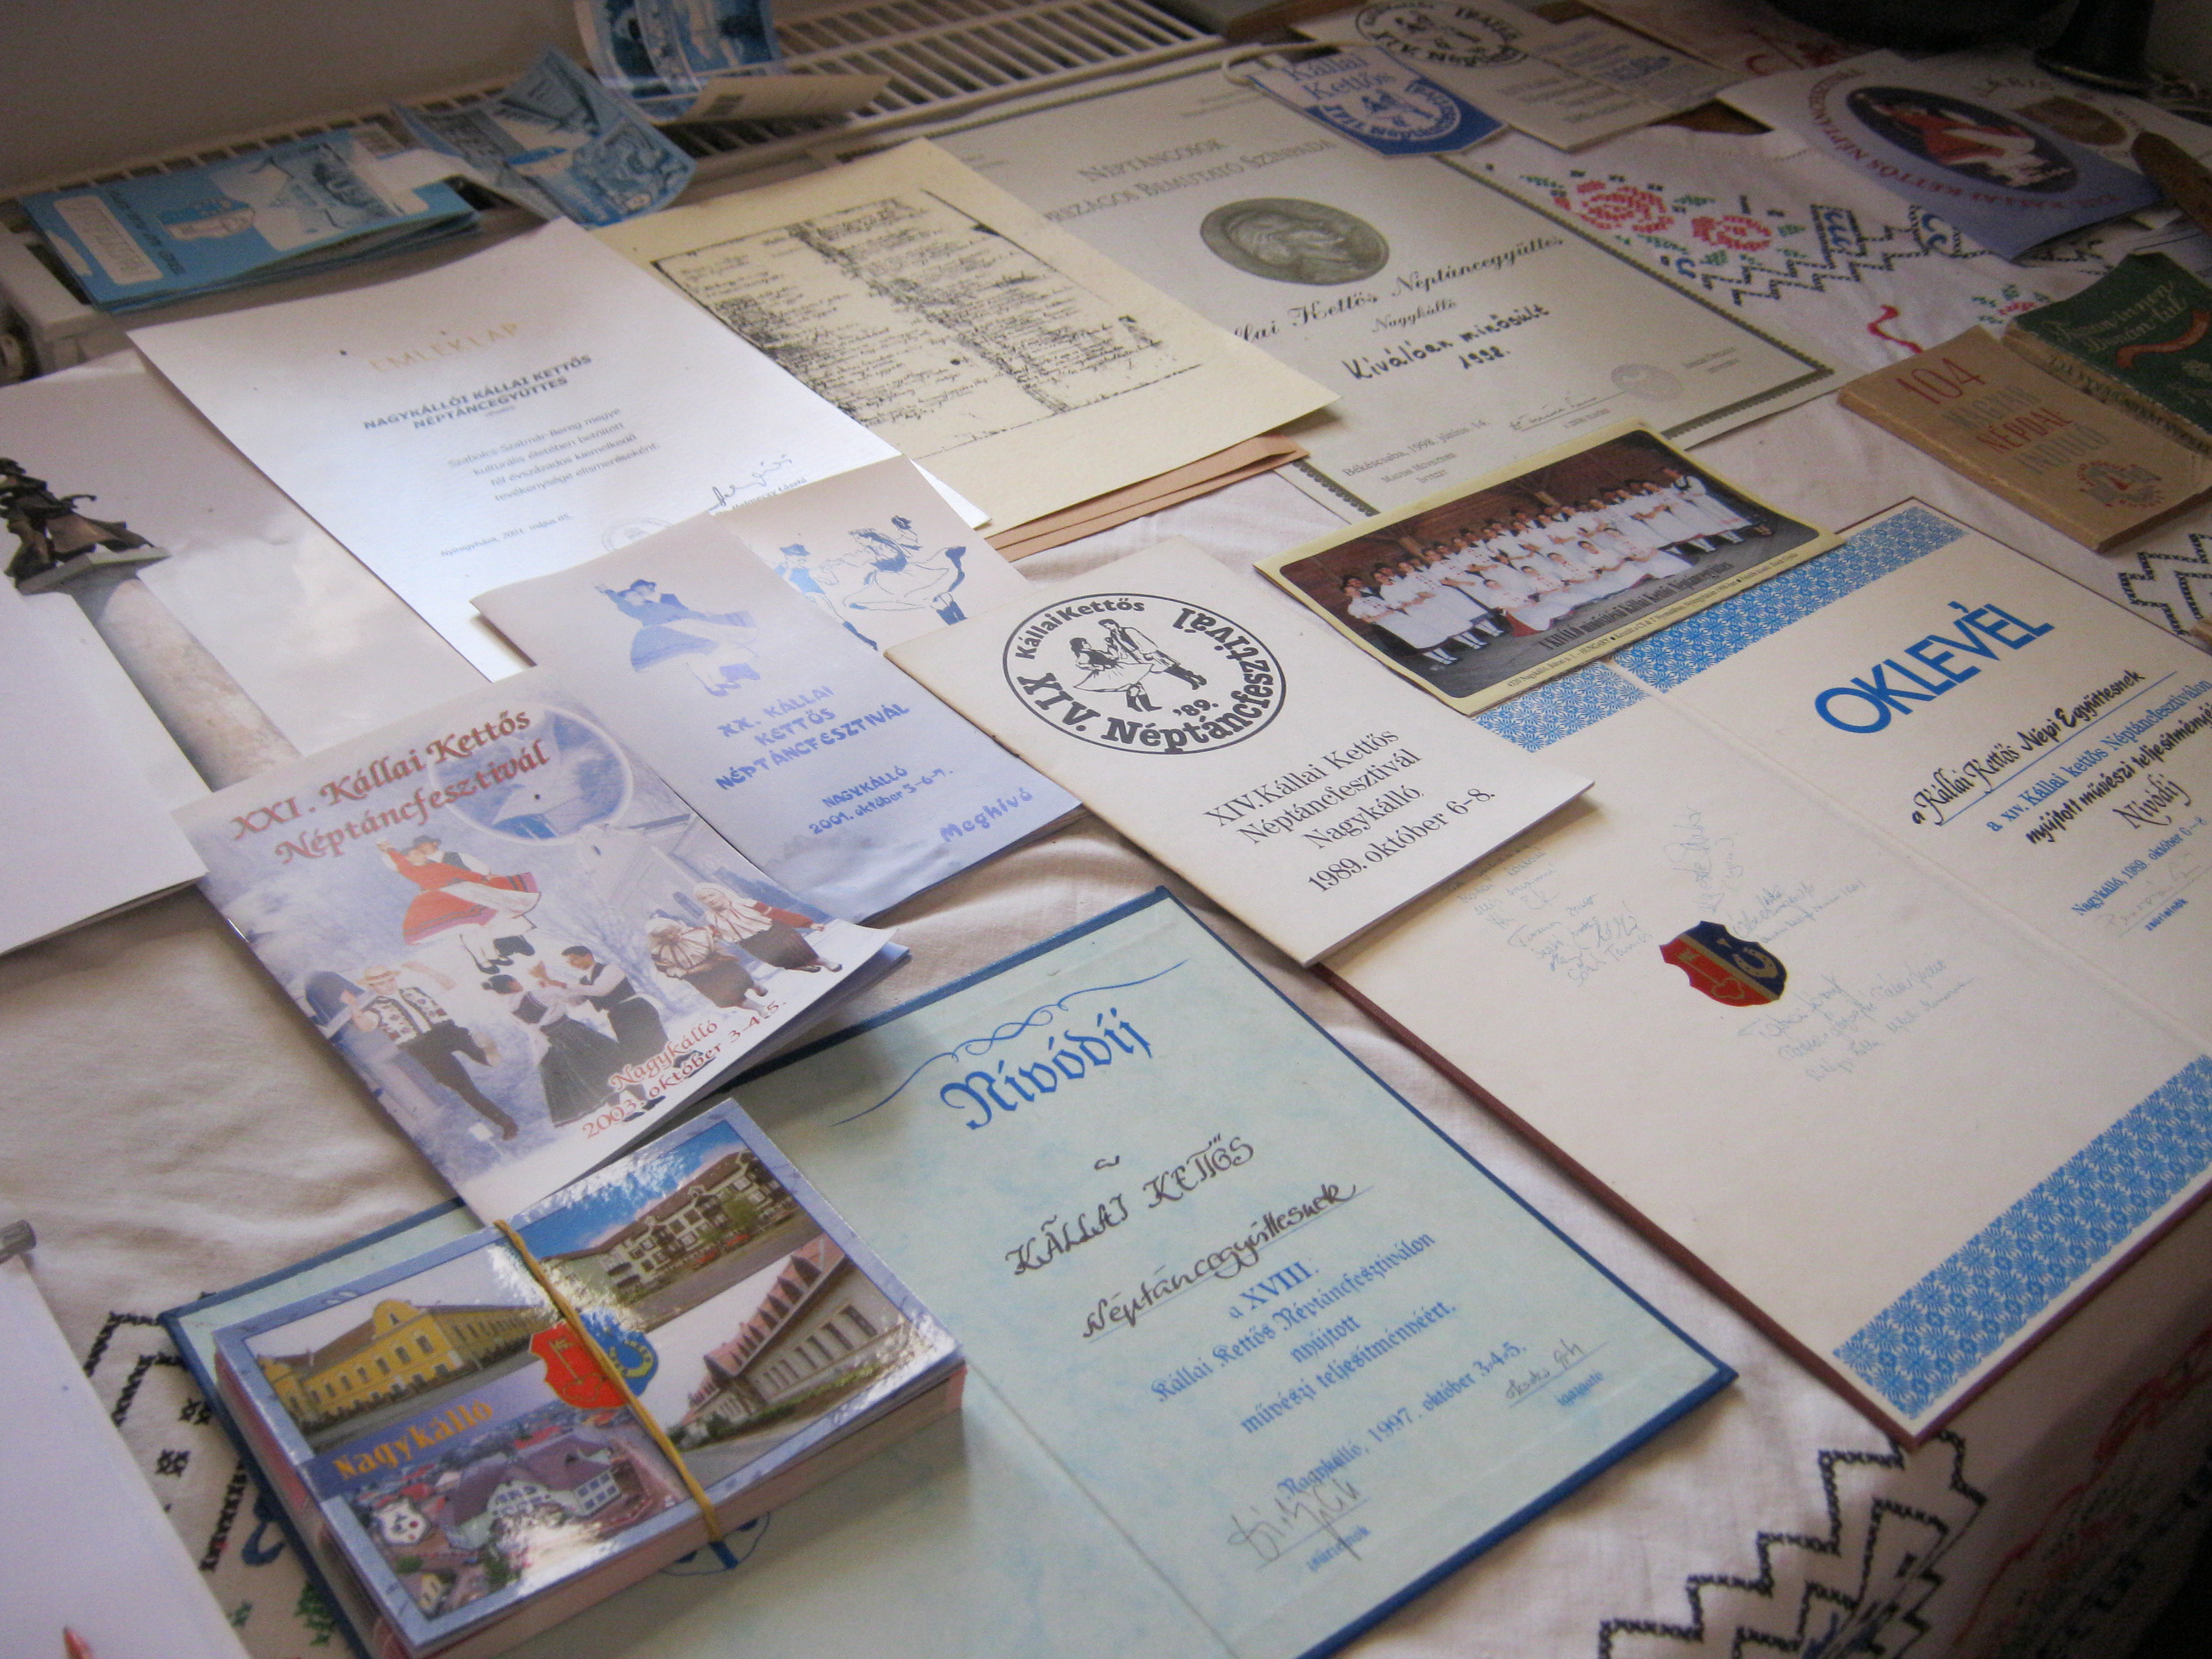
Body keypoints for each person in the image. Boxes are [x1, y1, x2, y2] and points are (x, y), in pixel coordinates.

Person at [350, 963, 517, 1139]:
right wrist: (354, 1006)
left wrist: (427, 971)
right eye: (382, 983)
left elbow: (449, 984)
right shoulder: (376, 1010)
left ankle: (487, 1055)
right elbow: (365, 1026)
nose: (388, 985)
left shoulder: (414, 991)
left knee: (466, 1043)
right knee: (464, 1089)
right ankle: (506, 1123)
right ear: (372, 987)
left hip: (444, 1031)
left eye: (390, 980)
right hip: (421, 1047)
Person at [485, 970, 625, 1127]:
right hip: (571, 1032)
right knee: (612, 1061)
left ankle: (619, 1112)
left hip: (554, 1042)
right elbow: (568, 995)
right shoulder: (534, 995)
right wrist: (548, 982)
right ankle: (636, 1101)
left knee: (595, 1075)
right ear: (511, 984)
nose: (519, 983)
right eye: (516, 981)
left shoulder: (510, 1009)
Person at [377, 836, 538, 967]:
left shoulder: (438, 865)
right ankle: (483, 961)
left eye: (420, 851)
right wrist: (388, 849)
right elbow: (398, 862)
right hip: (442, 901)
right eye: (415, 853)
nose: (420, 853)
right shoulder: (410, 870)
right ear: (408, 859)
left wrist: (485, 878)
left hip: (464, 895)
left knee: (483, 925)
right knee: (471, 929)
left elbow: (462, 874)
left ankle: (492, 956)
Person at [555, 946, 668, 1067]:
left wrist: (565, 986)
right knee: (637, 1054)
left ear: (588, 956)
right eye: (570, 962)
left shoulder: (610, 969)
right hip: (617, 1017)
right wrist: (554, 991)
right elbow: (576, 1002)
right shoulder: (584, 981)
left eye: (575, 959)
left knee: (658, 1046)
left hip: (636, 1010)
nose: (573, 964)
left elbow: (601, 990)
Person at [695, 885, 839, 973]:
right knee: (779, 960)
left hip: (774, 932)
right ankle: (799, 967)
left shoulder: (746, 904)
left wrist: (809, 924)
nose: (710, 900)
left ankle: (823, 962)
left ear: (722, 893)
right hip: (751, 943)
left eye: (712, 895)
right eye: (704, 899)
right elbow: (716, 933)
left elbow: (777, 914)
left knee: (800, 951)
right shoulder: (710, 917)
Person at [646, 919, 772, 1012]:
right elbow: (668, 969)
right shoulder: (660, 953)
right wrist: (689, 972)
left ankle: (755, 986)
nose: (670, 937)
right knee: (728, 997)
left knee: (742, 980)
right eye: (664, 936)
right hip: (699, 977)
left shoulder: (697, 934)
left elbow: (714, 942)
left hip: (717, 964)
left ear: (676, 928)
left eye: (671, 932)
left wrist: (719, 956)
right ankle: (759, 1008)